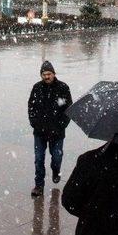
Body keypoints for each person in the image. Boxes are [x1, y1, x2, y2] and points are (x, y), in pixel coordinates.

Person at [28, 61, 73, 197]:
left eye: (49, 74)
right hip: (40, 132)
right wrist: (35, 123)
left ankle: (55, 170)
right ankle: (39, 185)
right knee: (39, 158)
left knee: (57, 156)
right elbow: (31, 106)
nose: (46, 77)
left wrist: (61, 125)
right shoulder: (37, 88)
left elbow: (69, 108)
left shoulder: (63, 88)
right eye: (44, 74)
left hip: (57, 132)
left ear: (54, 74)